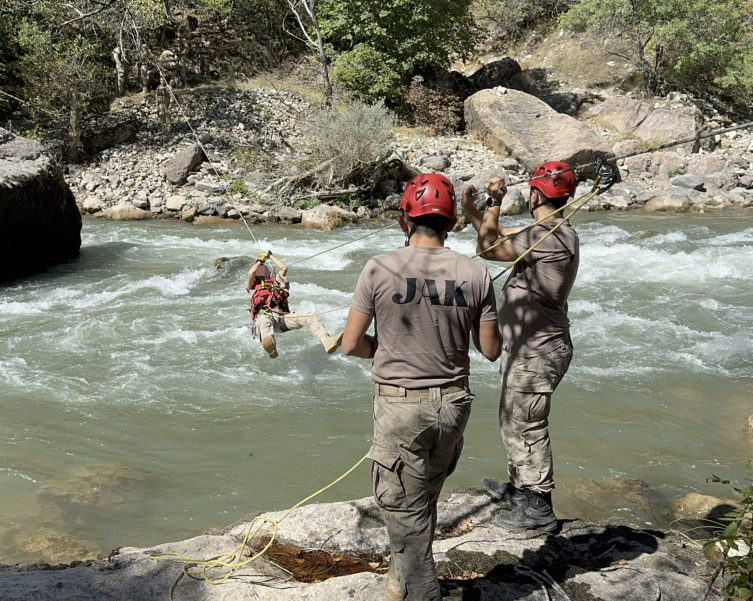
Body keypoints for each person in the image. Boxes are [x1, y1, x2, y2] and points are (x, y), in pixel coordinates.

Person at [342, 173, 501, 600]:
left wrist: (384, 346)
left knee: (405, 514)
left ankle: (419, 592)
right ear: (451, 224)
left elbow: (351, 343)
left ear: (403, 221)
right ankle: (400, 584)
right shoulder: (476, 272)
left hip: (399, 409)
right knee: (422, 501)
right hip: (452, 408)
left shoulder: (378, 267)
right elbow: (490, 350)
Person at [461, 162, 579, 533]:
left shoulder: (552, 237)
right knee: (513, 419)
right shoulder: (552, 231)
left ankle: (539, 508)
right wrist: (471, 210)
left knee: (526, 424)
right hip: (533, 347)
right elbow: (494, 233)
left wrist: (495, 201)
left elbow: (488, 248)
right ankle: (521, 490)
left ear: (534, 195)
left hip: (538, 351)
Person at [246, 251, 343, 358]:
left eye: (264, 268)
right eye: (260, 269)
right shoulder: (252, 286)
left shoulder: (276, 282)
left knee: (309, 316)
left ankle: (327, 341)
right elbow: (251, 273)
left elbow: (283, 268)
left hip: (282, 318)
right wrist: (259, 261)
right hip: (264, 315)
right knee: (265, 321)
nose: (262, 269)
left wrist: (270, 256)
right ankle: (270, 345)